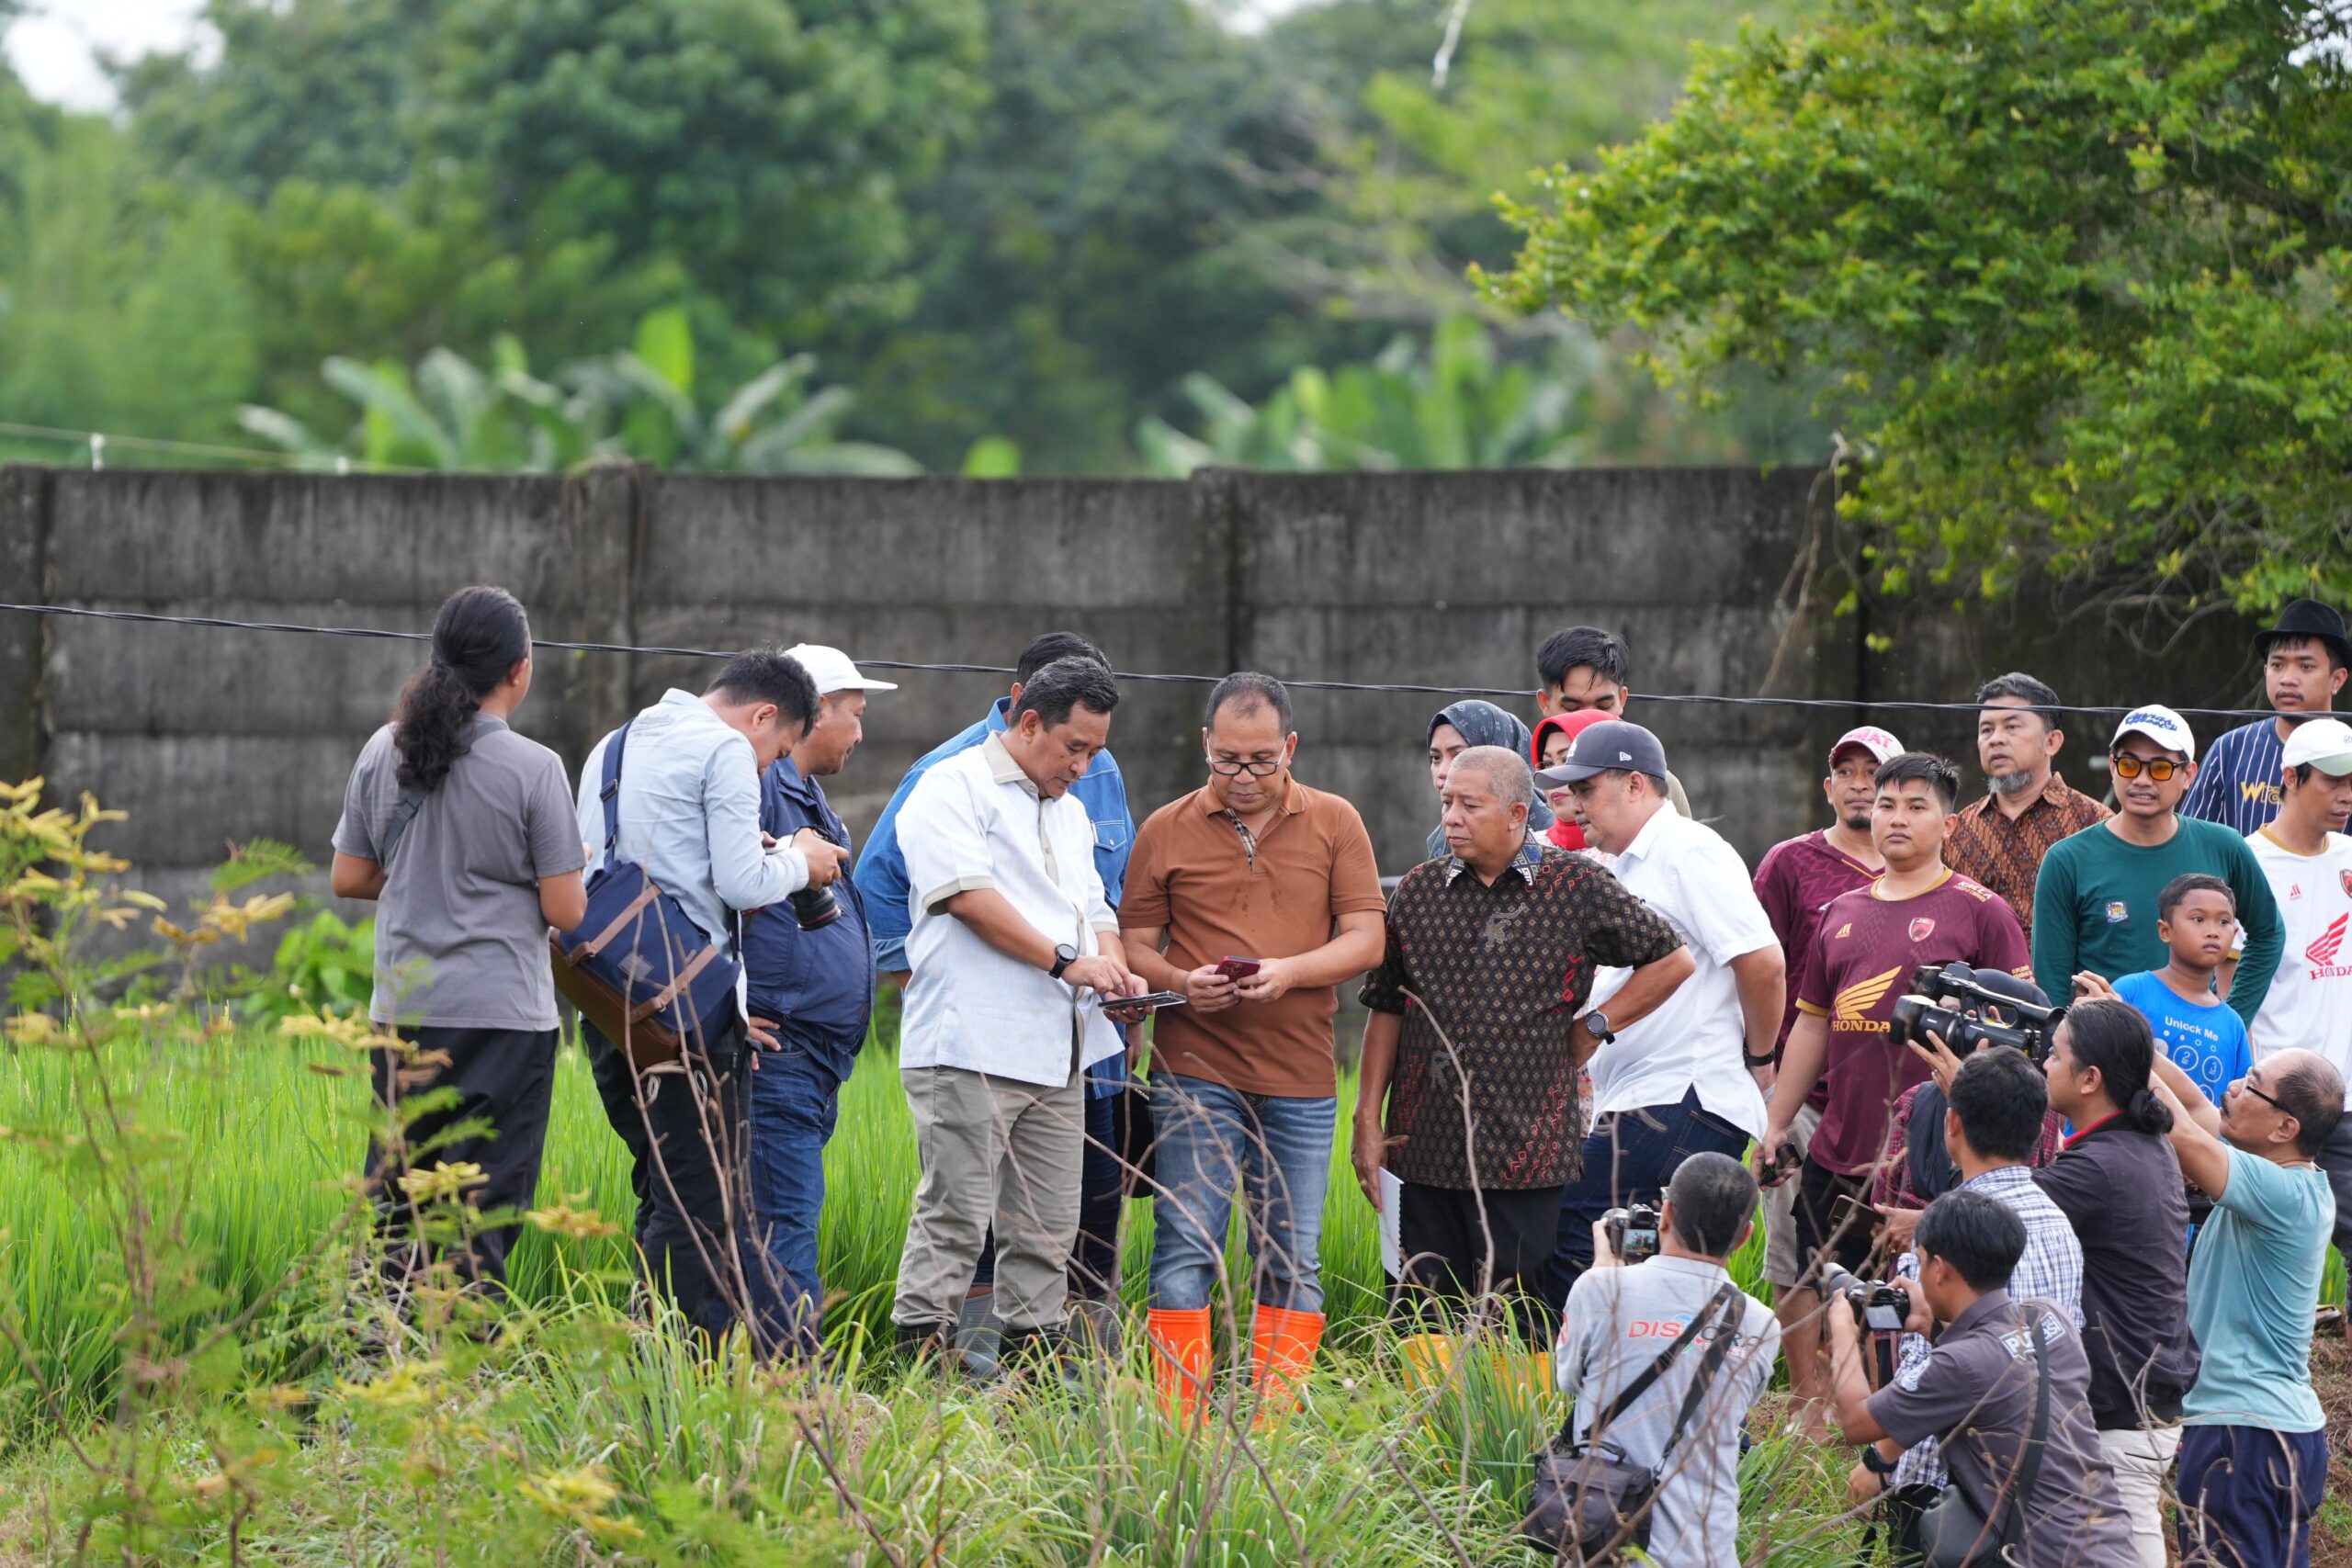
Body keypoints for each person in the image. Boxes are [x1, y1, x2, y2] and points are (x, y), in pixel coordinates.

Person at [855, 632, 1136, 1359]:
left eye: (1094, 753)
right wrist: (1069, 963)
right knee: (953, 1219)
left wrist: (1116, 967)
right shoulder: (948, 785)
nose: (1082, 767)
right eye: (1073, 748)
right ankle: (923, 1390)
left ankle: (1028, 1396)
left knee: (1047, 1229)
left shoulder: (1070, 812)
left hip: (1059, 1051)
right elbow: (967, 898)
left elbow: (1096, 910)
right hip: (968, 1045)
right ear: (1028, 720)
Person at [1119, 672, 1387, 1420]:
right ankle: (1180, 1426)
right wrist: (1180, 980)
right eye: (1227, 760)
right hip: (1193, 1069)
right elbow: (1133, 943)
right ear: (1205, 745)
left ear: (1290, 748)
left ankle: (1272, 1429)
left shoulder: (1336, 821)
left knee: (1291, 1256)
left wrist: (1289, 974)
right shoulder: (1165, 828)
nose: (1243, 777)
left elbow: (1368, 938)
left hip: (1301, 1075)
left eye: (1261, 760)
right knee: (1185, 1245)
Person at [1355, 746, 1692, 1337]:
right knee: (1424, 1317)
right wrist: (1366, 1116)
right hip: (1424, 1147)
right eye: (1446, 803)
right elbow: (1386, 1007)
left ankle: (1516, 1429)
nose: (1451, 818)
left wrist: (1594, 1027)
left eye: (1469, 805)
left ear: (1516, 814)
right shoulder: (1418, 891)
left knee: (1523, 1317)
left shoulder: (1577, 885)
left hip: (1527, 1156)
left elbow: (1671, 960)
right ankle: (1431, 1428)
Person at [573, 649, 847, 1351]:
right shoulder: (725, 748)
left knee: (664, 1189)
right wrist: (803, 862)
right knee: (703, 1206)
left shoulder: (616, 742)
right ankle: (679, 1383)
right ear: (763, 716)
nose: (769, 769)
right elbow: (744, 883)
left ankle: (655, 1357)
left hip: (610, 1004)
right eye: (777, 751)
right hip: (683, 1017)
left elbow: (627, 865)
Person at [331, 585, 588, 1297]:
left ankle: (383, 1371)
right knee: (483, 1211)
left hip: (404, 1012)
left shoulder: (384, 748)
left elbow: (350, 875)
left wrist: (428, 876)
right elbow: (565, 907)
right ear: (519, 669)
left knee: (400, 1203)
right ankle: (461, 1382)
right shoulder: (535, 769)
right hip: (502, 1020)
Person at [1534, 719, 1785, 1304]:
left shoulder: (1687, 851)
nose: (1572, 804)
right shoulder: (1621, 865)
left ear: (1637, 786)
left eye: (1587, 788)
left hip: (1682, 1096)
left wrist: (1761, 1060)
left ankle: (1563, 1387)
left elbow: (1763, 964)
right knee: (1638, 1261)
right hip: (1650, 1098)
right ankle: (1635, 1384)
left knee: (1575, 1223)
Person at [1759, 752, 2030, 1287]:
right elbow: (1812, 1026)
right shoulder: (1840, 911)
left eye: (1915, 806)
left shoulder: (1982, 911)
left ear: (1949, 824)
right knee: (1834, 1316)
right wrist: (1774, 1123)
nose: (1897, 818)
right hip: (1837, 1158)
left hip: (1936, 1165)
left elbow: (2019, 1040)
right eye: (1887, 805)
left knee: (1923, 1325)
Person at [1826, 1189, 2138, 1568]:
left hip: (2039, 1557)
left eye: (1921, 1262)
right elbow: (2000, 1367)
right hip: (2107, 1545)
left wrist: (1842, 1327)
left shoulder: (1959, 1364)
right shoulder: (2048, 1318)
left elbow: (1856, 1421)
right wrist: (1930, 1325)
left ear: (1939, 1269)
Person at [1860, 1046, 2086, 1558]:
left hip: (1953, 1490)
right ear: (2038, 1131)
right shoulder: (2060, 1224)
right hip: (2039, 1482)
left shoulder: (1952, 1231)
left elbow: (1936, 1373)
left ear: (1952, 1123)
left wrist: (1886, 1462)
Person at [740, 643, 896, 1351]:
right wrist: (732, 1001)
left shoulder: (806, 797)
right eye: (853, 714)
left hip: (811, 1055)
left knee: (783, 1220)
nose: (860, 733)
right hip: (781, 1051)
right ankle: (793, 1402)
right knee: (783, 1226)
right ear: (815, 708)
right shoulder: (762, 783)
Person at [2143, 1047, 2344, 1568]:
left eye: (2251, 1083)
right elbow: (2189, 1100)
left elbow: (2182, 1132)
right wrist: (2139, 1045)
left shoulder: (2279, 1192)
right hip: (2282, 1436)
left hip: (2243, 1437)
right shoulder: (2288, 1178)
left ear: (2284, 1127)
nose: (2232, 1086)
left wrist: (2113, 1046)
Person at [1749, 723, 1899, 1423]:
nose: (1862, 783)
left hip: (1894, 1099)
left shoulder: (1923, 869)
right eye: (1850, 770)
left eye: (1878, 772)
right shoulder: (1790, 863)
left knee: (1882, 1247)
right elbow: (1757, 963)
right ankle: (1809, 1397)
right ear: (1828, 784)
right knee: (1793, 1250)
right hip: (1803, 1090)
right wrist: (1765, 1077)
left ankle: (1870, 1393)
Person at [2032, 1001, 2199, 1568]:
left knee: (2126, 1551)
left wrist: (1984, 1110)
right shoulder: (2143, 1147)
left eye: (2054, 1055)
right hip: (2147, 1392)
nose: (2044, 1066)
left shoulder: (2099, 1166)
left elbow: (2001, 1205)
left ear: (2089, 1079)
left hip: (2121, 1407)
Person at [1554, 1153, 1782, 1567]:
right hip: (1706, 1552)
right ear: (1745, 1236)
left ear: (1666, 1215)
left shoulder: (1599, 1289)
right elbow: (1734, 1408)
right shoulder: (1762, 1323)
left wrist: (1607, 1273)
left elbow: (1569, 1381)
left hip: (1602, 1542)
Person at [2031, 705, 2283, 1028]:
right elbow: (2052, 987)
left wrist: (2230, 1019)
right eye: (2129, 764)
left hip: (2193, 1053)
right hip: (2101, 1053)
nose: (2142, 779)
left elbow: (2268, 933)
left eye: (2161, 768)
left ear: (2189, 774)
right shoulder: (2067, 860)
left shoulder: (2224, 847)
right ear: (2112, 766)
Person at [2236, 716, 2352, 1286]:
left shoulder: (2350, 855)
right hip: (2278, 1100)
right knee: (2267, 1250)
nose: (2346, 795)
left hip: (2349, 1093)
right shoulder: (2248, 862)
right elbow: (2230, 986)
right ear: (2291, 777)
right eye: (2332, 781)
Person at [1945, 672, 2110, 938]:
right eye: (1986, 729)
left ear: (2052, 741)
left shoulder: (2096, 823)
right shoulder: (1957, 830)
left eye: (2012, 727)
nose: (1995, 739)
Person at [2182, 599, 2350, 834]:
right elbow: (2192, 841)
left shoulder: (2348, 756)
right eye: (2278, 665)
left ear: (2337, 679)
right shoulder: (2229, 751)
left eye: (2305, 667)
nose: (2287, 679)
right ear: (2265, 672)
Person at [2108, 874, 2250, 1105]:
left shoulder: (2232, 1025)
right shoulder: (2130, 992)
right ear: (2165, 931)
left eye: (2223, 922)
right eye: (2198, 919)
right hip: (2125, 1140)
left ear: (2234, 935)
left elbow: (2240, 1103)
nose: (2213, 931)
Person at [1530, 625, 1691, 815]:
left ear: (1622, 700)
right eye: (1572, 708)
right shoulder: (1526, 793)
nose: (1591, 722)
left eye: (1603, 707)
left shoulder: (1660, 786)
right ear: (1544, 703)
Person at [1424, 699, 1555, 857]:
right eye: (1435, 757)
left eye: (1459, 755)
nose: (1443, 772)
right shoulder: (1443, 844)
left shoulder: (1556, 850)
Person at [1529, 710, 1608, 852]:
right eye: (1547, 764)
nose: (1554, 775)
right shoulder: (1529, 850)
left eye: (1566, 760)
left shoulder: (1631, 850)